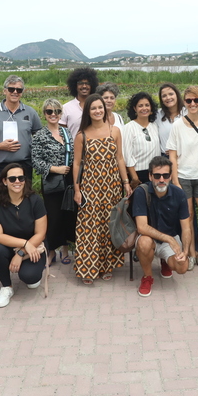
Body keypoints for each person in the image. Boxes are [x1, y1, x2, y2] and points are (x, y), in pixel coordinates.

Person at [72, 94, 131, 284]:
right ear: (88, 112)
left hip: (112, 186)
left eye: (100, 107)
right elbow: (77, 163)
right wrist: (77, 189)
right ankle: (88, 268)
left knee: (109, 226)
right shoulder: (82, 135)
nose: (98, 111)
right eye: (93, 108)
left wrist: (126, 182)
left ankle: (107, 266)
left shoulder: (114, 131)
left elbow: (120, 158)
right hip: (90, 187)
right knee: (89, 227)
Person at [166, 85, 198, 271]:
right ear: (184, 102)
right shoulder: (177, 125)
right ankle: (191, 254)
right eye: (189, 100)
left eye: (196, 100)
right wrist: (175, 181)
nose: (193, 103)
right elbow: (172, 155)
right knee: (187, 220)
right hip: (184, 178)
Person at [0, 163, 48, 307]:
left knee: (30, 278)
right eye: (12, 178)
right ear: (4, 181)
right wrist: (24, 244)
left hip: (34, 247)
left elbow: (41, 233)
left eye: (21, 178)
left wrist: (21, 253)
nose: (17, 182)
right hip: (9, 247)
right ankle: (6, 287)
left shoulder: (35, 200)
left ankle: (31, 273)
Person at [133, 156, 193, 297]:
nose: (161, 179)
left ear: (170, 176)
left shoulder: (179, 194)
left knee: (182, 267)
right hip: (150, 238)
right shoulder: (141, 192)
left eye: (165, 175)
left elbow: (186, 227)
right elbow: (141, 227)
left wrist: (185, 251)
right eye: (157, 175)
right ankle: (147, 277)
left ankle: (166, 261)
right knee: (144, 243)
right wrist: (169, 240)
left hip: (170, 238)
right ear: (150, 176)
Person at [0, 75, 42, 197]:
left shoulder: (30, 112)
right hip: (0, 167)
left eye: (19, 90)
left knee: (24, 200)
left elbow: (40, 137)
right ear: (4, 91)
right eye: (11, 89)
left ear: (22, 92)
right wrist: (0, 146)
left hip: (24, 165)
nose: (15, 92)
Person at [31, 98, 74, 265]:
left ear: (61, 114)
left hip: (68, 180)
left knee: (67, 214)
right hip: (52, 180)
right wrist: (56, 169)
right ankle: (51, 250)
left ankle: (64, 248)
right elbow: (36, 160)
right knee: (53, 216)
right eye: (49, 111)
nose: (53, 114)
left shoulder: (66, 132)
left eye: (57, 111)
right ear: (44, 114)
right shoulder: (40, 135)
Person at [122, 92, 160, 186]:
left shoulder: (154, 126)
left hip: (156, 173)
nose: (144, 108)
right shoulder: (129, 127)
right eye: (140, 106)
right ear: (135, 108)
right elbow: (127, 154)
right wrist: (134, 177)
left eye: (147, 105)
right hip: (138, 174)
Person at [61, 67, 99, 138]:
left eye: (87, 83)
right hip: (73, 148)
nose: (84, 86)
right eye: (80, 83)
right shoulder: (66, 108)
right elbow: (62, 133)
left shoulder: (99, 107)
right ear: (75, 86)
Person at [155, 82, 183, 154]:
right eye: (164, 96)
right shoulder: (157, 115)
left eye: (171, 94)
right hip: (164, 159)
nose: (168, 98)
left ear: (177, 94)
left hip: (184, 156)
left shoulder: (187, 112)